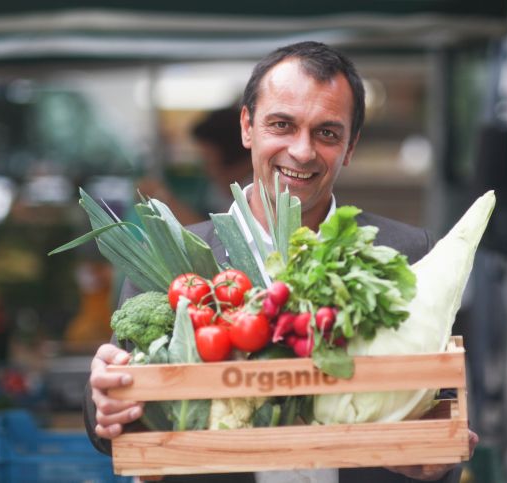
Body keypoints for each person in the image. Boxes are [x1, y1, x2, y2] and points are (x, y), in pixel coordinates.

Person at [84, 41, 478, 483]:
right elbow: (117, 413)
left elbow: (446, 413)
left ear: (350, 147)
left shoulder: (408, 254)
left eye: (327, 133)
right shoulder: (170, 263)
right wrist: (103, 403)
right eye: (282, 125)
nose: (303, 151)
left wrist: (432, 458)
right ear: (247, 128)